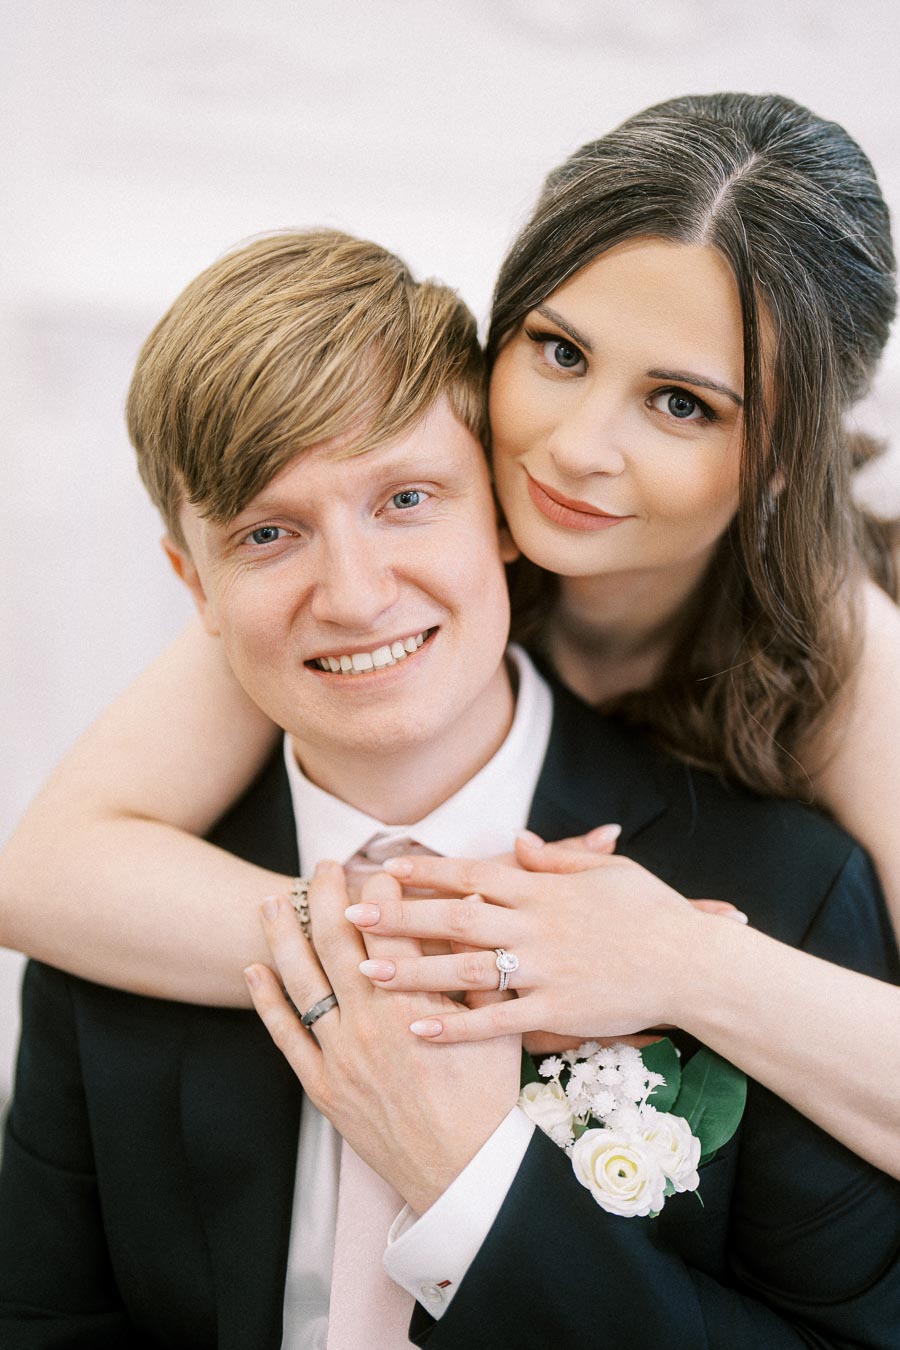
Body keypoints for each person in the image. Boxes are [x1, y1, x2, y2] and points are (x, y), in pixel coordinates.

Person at [0, 225, 898, 1350]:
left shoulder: (796, 883)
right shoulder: (118, 933)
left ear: (504, 517)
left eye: (408, 499)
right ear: (197, 583)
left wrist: (476, 1192)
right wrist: (386, 952)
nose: (356, 594)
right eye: (269, 534)